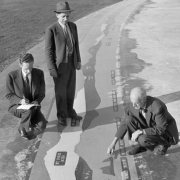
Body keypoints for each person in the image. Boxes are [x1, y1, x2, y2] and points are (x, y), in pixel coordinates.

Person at [107, 87, 179, 155]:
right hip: (150, 125)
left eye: (136, 103)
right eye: (132, 102)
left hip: (165, 132)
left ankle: (163, 144)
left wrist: (140, 131)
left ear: (144, 99)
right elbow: (124, 122)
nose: (134, 105)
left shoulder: (158, 107)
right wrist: (113, 143)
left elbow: (161, 129)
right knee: (128, 119)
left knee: (142, 139)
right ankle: (143, 145)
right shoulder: (134, 104)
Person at [45, 1, 82, 126]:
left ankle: (70, 111)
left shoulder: (73, 26)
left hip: (72, 64)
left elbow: (76, 45)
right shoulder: (51, 30)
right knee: (61, 92)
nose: (66, 19)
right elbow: (48, 52)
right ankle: (62, 115)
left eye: (67, 16)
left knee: (71, 90)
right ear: (57, 15)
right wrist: (51, 69)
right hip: (59, 67)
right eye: (63, 16)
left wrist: (78, 60)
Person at [6, 53, 47, 140]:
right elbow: (9, 95)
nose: (29, 71)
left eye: (31, 68)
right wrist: (21, 101)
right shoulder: (11, 76)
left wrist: (37, 101)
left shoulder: (39, 73)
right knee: (28, 111)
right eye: (26, 69)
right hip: (17, 106)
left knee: (42, 126)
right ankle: (22, 128)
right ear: (20, 65)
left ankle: (24, 124)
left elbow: (42, 92)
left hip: (33, 107)